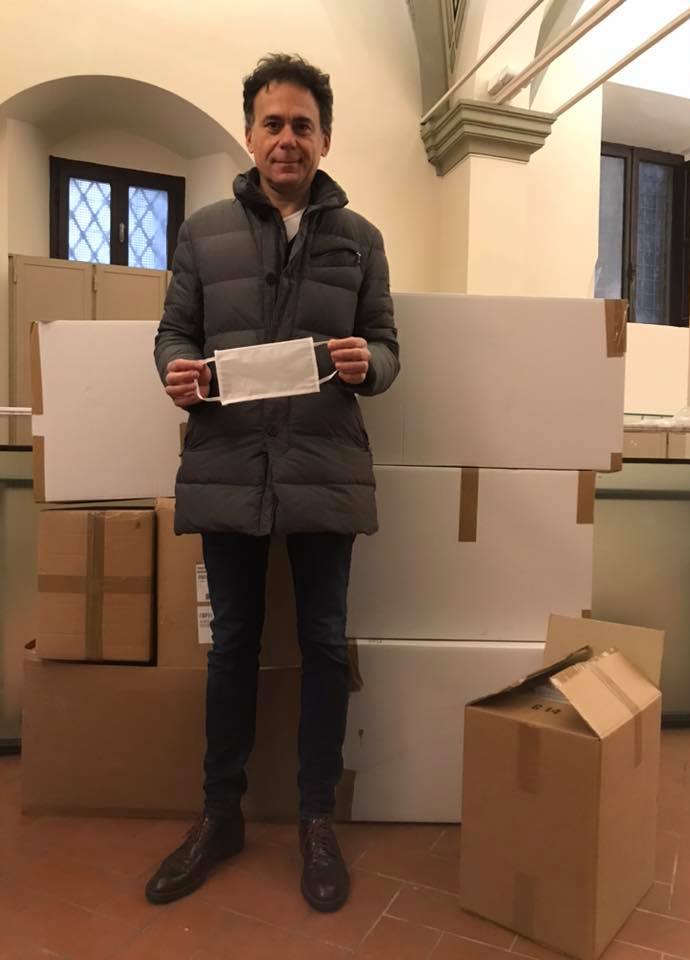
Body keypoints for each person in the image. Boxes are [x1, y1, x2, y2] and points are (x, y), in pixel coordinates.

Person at [146, 53, 399, 913]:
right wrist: (177, 369)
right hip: (229, 466)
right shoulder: (203, 231)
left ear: (325, 139)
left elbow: (388, 345)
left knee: (323, 645)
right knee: (233, 648)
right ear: (250, 134)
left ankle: (316, 818)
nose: (287, 139)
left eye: (303, 125)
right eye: (273, 123)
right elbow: (173, 332)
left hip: (324, 469)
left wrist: (371, 365)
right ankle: (220, 816)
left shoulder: (361, 239)